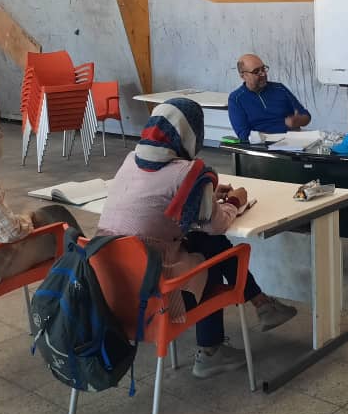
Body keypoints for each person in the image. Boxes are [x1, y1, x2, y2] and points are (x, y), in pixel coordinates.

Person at [96, 98, 297, 379]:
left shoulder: (131, 160)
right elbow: (217, 225)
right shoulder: (189, 174)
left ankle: (262, 305)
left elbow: (160, 198)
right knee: (213, 250)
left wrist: (205, 196)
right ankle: (213, 348)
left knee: (203, 241)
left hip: (112, 292)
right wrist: (235, 201)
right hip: (158, 297)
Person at [0, 104, 80, 288]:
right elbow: (12, 234)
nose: (1, 135)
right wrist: (26, 217)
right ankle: (93, 275)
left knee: (53, 212)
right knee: (63, 228)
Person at [228, 54, 311, 142]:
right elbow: (244, 135)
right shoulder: (236, 99)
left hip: (292, 142)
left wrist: (298, 121)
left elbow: (306, 115)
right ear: (243, 76)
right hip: (261, 146)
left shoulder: (279, 88)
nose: (263, 74)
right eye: (256, 71)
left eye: (263, 69)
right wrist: (274, 136)